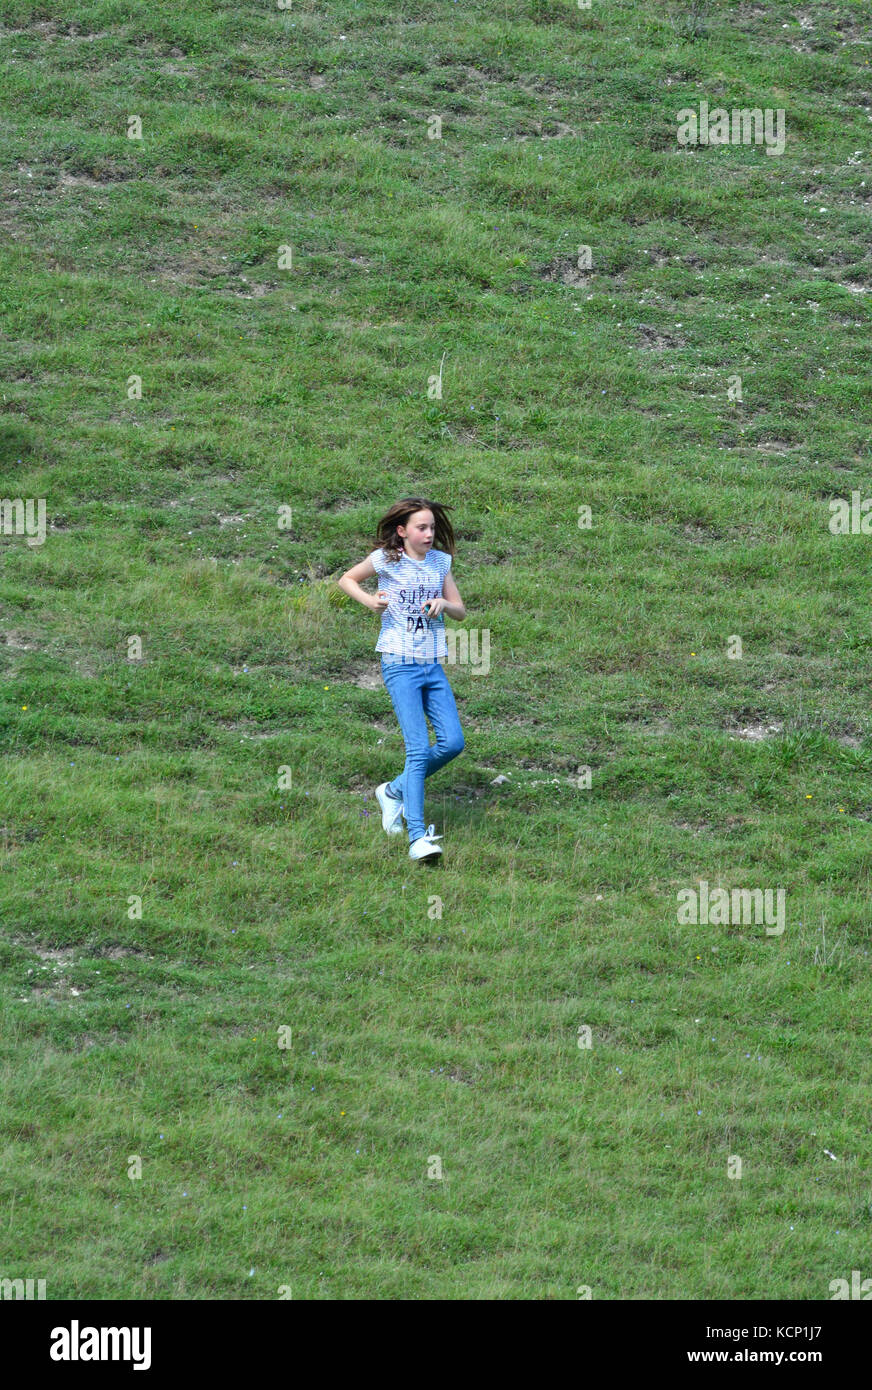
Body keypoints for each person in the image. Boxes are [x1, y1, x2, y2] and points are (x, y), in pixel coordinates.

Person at [336, 497, 467, 861]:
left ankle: (392, 792)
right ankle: (415, 837)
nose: (429, 534)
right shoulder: (387, 560)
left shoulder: (441, 562)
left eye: (432, 528)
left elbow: (461, 611)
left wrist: (445, 605)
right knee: (416, 748)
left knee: (453, 742)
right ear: (402, 531)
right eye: (421, 528)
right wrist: (369, 601)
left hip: (432, 665)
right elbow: (346, 579)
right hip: (399, 663)